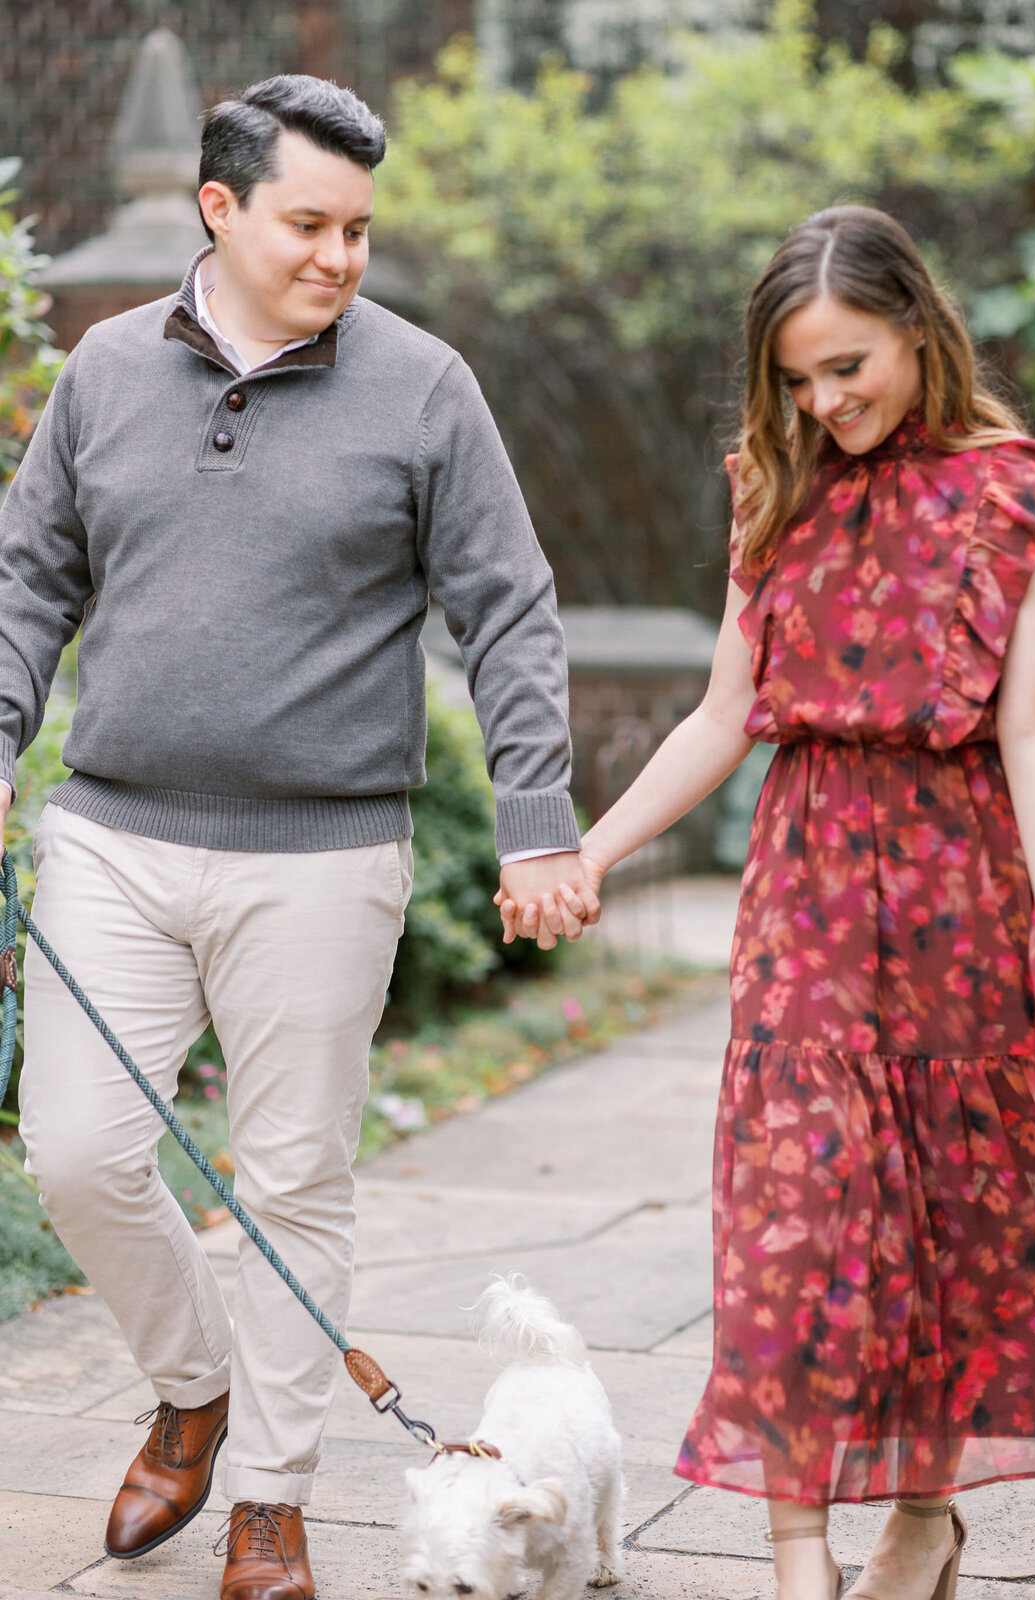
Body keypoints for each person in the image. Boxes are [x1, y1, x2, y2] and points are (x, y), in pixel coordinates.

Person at [509, 204, 1035, 1600]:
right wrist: (593, 849)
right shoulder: (773, 486)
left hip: (961, 895)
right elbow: (724, 713)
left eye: (848, 366)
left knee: (948, 1214)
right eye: (799, 378)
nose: (825, 402)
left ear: (918, 332)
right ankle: (797, 1563)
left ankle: (923, 1523)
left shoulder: (1017, 491)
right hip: (808, 897)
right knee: (799, 1214)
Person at [1, 75, 597, 1600]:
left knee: (292, 1186)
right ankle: (194, 1386)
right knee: (78, 1152)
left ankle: (270, 1500)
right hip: (113, 836)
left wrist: (536, 820)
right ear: (220, 208)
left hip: (326, 855)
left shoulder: (423, 388)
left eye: (360, 230)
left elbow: (511, 609)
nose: (341, 255)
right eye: (309, 224)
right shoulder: (105, 371)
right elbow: (26, 585)